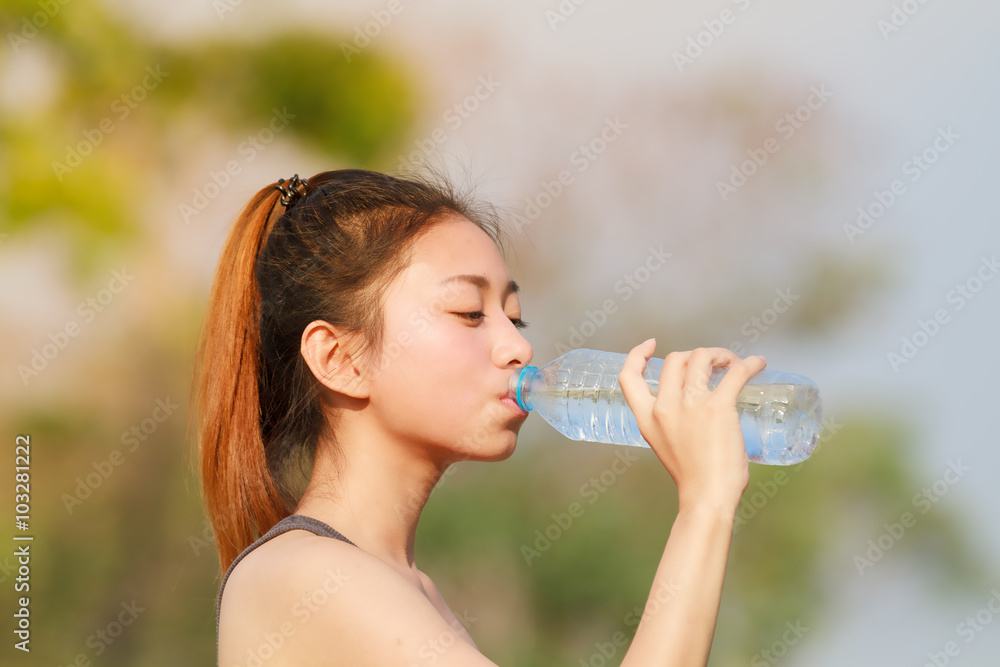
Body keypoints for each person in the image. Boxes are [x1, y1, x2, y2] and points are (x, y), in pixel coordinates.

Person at [192, 168, 767, 667]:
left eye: (515, 318)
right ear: (339, 358)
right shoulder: (304, 576)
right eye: (469, 313)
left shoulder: (408, 587)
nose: (516, 349)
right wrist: (704, 506)